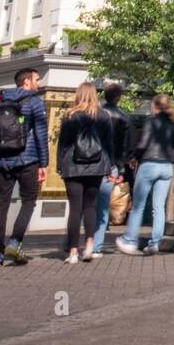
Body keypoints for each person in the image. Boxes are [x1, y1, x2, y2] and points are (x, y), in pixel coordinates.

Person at [0, 67, 50, 266]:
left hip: (3, 161)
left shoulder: (0, 103)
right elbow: (40, 134)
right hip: (27, 160)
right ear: (26, 82)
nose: (39, 83)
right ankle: (15, 242)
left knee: (1, 204)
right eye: (37, 79)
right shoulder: (34, 102)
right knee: (29, 201)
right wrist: (44, 164)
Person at [115, 94, 174, 256]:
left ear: (156, 107)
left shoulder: (150, 122)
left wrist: (133, 158)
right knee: (159, 207)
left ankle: (130, 240)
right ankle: (155, 243)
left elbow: (143, 143)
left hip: (149, 164)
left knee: (138, 205)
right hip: (166, 167)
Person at [57, 81, 115, 264]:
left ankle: (73, 252)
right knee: (90, 206)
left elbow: (63, 144)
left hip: (73, 166)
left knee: (75, 209)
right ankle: (89, 244)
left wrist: (60, 165)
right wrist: (109, 166)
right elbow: (108, 144)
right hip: (96, 166)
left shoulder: (70, 116)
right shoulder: (104, 116)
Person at [91, 83, 131, 256]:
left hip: (91, 163)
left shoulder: (94, 114)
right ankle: (96, 246)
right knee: (103, 206)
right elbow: (124, 147)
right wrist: (121, 169)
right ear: (119, 97)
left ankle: (74, 243)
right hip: (111, 165)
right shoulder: (124, 118)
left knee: (86, 204)